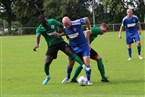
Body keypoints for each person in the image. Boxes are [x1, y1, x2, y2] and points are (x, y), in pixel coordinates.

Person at [33, 15, 90, 85]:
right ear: (41, 24)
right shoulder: (39, 29)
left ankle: (84, 67)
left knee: (70, 53)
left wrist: (61, 34)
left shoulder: (52, 21)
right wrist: (36, 44)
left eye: (46, 23)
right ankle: (48, 77)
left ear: (46, 20)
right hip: (52, 46)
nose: (46, 25)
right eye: (44, 24)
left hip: (60, 42)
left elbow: (63, 27)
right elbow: (38, 37)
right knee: (47, 62)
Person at [61, 16, 92, 85]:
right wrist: (60, 35)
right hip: (73, 48)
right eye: (65, 25)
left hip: (84, 46)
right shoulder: (64, 28)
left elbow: (86, 18)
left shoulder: (77, 22)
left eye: (67, 24)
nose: (67, 26)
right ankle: (67, 77)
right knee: (70, 64)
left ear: (70, 21)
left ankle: (89, 80)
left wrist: (89, 28)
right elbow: (66, 33)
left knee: (87, 63)